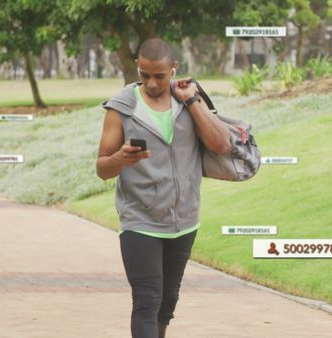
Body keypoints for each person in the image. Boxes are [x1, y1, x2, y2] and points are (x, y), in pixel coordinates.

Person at [96, 38, 231, 338]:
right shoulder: (121, 107)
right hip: (140, 220)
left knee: (167, 301)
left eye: (159, 76)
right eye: (144, 75)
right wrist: (119, 158)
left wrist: (192, 101)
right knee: (147, 299)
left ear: (174, 69)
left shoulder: (188, 99)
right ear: (138, 68)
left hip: (183, 220)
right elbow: (102, 168)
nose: (152, 83)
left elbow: (221, 144)